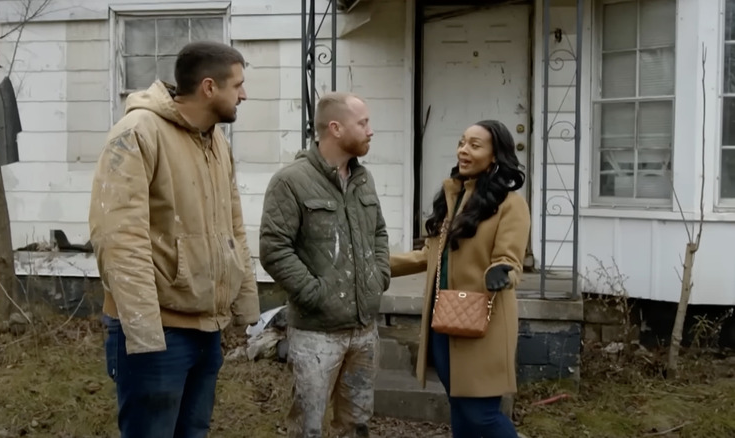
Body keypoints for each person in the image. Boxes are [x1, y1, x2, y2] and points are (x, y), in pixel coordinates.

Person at [88, 41, 260, 438]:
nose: (245, 94)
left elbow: (233, 226)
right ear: (209, 87)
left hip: (206, 330)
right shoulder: (136, 134)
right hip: (158, 335)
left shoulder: (214, 140)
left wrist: (245, 302)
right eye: (238, 85)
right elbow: (119, 240)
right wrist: (145, 334)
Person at [258, 92, 391, 438]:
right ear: (335, 128)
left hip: (364, 332)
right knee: (308, 428)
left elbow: (378, 231)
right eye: (363, 123)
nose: (370, 131)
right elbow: (274, 249)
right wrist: (316, 294)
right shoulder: (291, 181)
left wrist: (380, 276)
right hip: (316, 335)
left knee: (356, 425)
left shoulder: (364, 179)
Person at [389, 120, 531, 438]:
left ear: (495, 156)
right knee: (460, 411)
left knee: (481, 416)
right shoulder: (454, 198)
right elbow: (432, 255)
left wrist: (502, 272)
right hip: (444, 323)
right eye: (461, 142)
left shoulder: (510, 205)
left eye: (474, 145)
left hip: (483, 325)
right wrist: (380, 265)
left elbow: (509, 260)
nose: (463, 151)